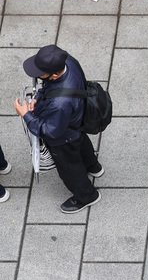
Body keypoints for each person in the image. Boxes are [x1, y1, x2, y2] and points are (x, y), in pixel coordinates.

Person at [14, 44, 102, 213]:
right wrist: (39, 98)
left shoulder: (60, 103)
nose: (38, 75)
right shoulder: (68, 61)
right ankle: (93, 166)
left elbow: (50, 131)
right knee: (82, 143)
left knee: (69, 168)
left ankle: (87, 196)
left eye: (41, 73)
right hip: (76, 122)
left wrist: (26, 115)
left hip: (63, 137)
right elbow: (50, 89)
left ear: (54, 75)